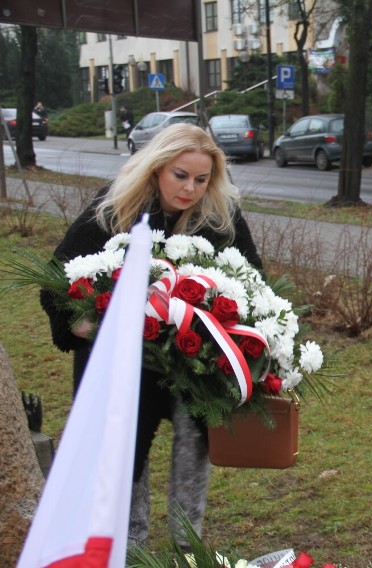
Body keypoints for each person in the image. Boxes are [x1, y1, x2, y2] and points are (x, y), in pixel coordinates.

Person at [40, 123, 262, 546]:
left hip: (195, 360)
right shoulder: (114, 208)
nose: (191, 189)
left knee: (194, 442)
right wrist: (85, 325)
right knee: (125, 449)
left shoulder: (219, 216)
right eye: (181, 176)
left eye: (202, 179)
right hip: (121, 361)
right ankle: (129, 543)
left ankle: (187, 543)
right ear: (157, 167)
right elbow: (59, 274)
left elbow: (253, 279)